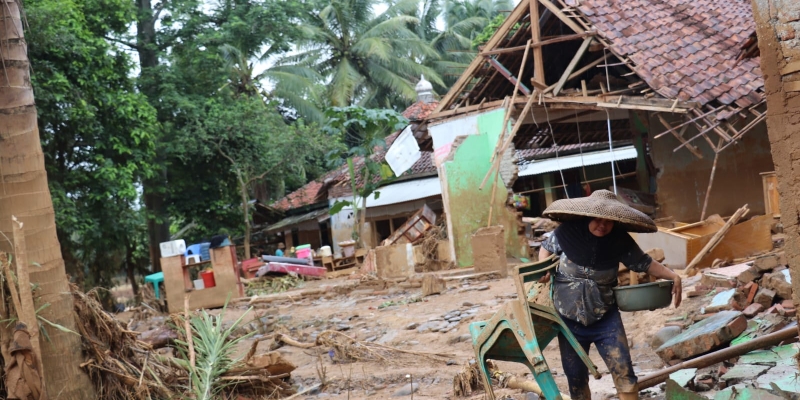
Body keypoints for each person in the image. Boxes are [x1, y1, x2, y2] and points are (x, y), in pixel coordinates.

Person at [537, 190, 682, 400]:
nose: (602, 225)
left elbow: (645, 263)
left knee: (624, 372)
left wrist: (673, 276)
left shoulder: (620, 241)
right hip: (569, 321)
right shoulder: (566, 232)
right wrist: (544, 267)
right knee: (575, 379)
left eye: (609, 221)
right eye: (597, 219)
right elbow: (545, 248)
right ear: (588, 216)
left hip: (605, 319)